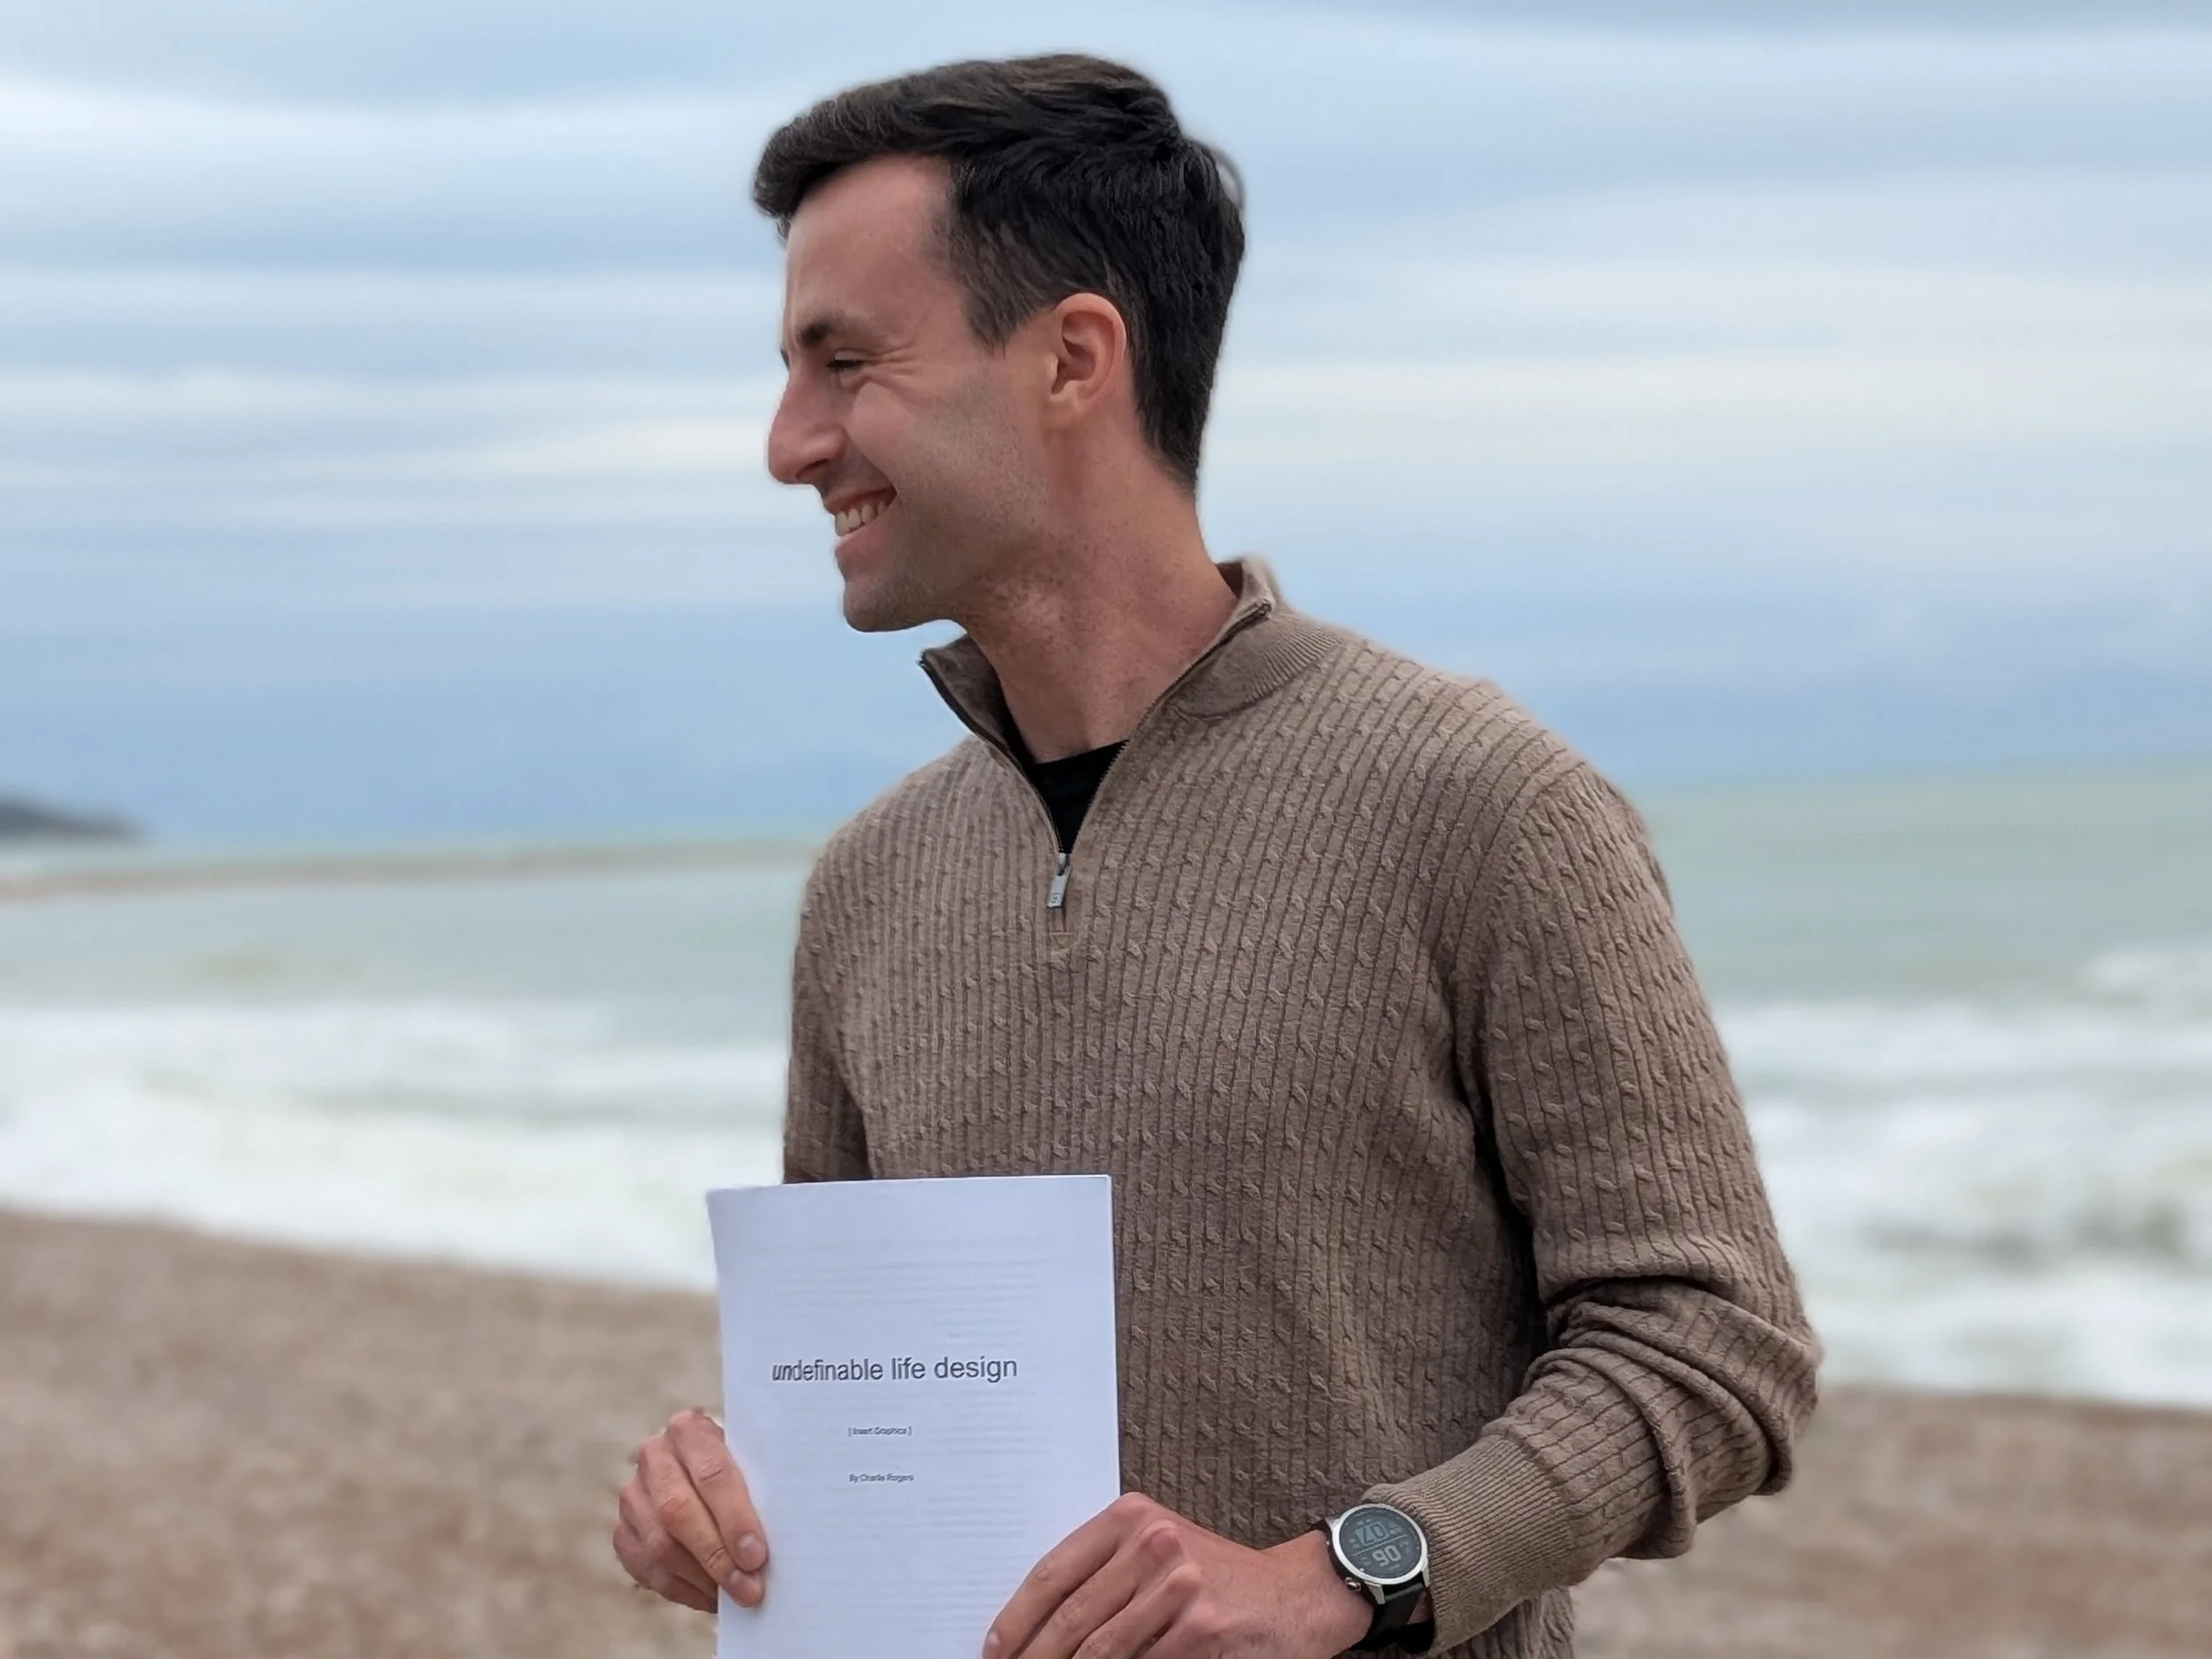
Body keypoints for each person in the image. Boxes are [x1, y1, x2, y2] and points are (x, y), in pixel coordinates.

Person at [611, 53, 1816, 1659]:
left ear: (1074, 359)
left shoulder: (1484, 806)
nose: (786, 441)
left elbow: (1713, 1347)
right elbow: (863, 1401)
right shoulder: (870, 885)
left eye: (844, 362)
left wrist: (1353, 1570)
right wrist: (727, 1497)